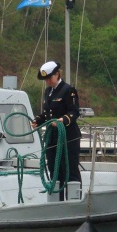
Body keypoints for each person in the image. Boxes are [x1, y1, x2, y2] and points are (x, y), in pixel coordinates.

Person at [31, 61, 81, 199]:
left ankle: (73, 200)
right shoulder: (48, 91)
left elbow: (74, 112)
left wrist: (63, 120)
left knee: (70, 170)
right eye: (45, 79)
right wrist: (38, 120)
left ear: (57, 74)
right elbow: (48, 113)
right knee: (54, 169)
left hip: (67, 137)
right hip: (52, 137)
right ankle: (56, 201)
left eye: (49, 78)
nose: (47, 81)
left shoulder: (68, 90)